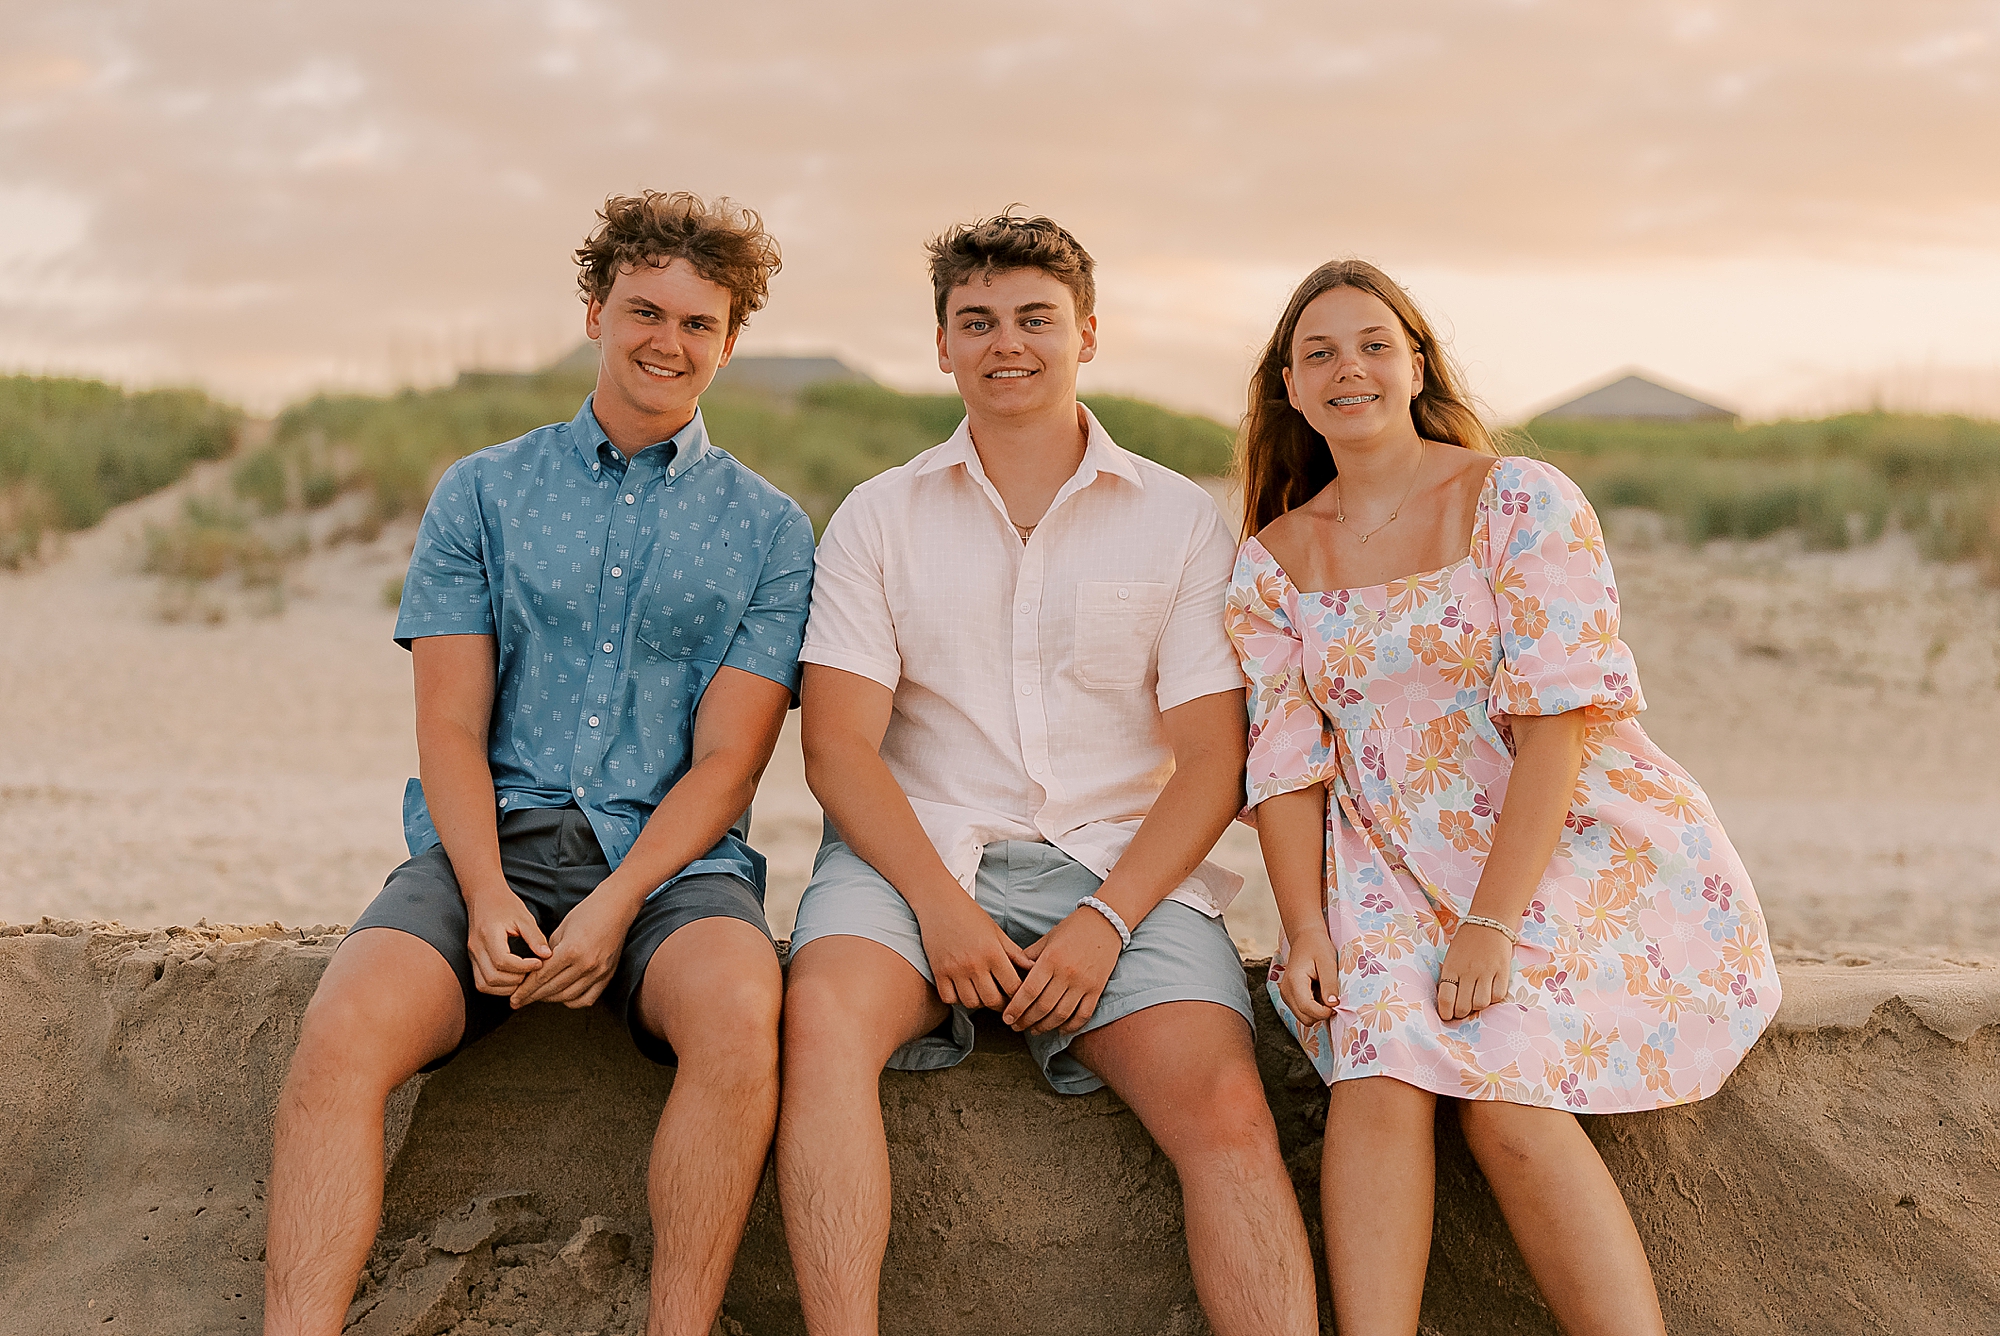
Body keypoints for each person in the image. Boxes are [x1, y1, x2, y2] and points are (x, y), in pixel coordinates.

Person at [263, 191, 815, 1336]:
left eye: (699, 323)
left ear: (727, 340)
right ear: (593, 312)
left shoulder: (768, 529)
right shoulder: (482, 489)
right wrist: (483, 893)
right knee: (342, 1031)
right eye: (643, 310)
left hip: (670, 865)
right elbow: (452, 728)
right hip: (489, 841)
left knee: (738, 1012)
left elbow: (728, 761)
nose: (667, 341)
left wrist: (615, 905)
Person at [774, 211, 1318, 1336]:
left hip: (1121, 870)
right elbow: (835, 746)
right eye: (975, 322)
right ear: (940, 346)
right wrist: (939, 908)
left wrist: (1107, 923)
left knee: (1226, 1103)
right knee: (820, 1024)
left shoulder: (1175, 520)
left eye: (1033, 318)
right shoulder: (877, 517)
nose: (1004, 343)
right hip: (914, 858)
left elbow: (1214, 761)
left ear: (1086, 335)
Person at [1228, 259, 1781, 1334]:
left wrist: (1489, 922)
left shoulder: (1516, 499)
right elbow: (1286, 767)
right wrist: (1303, 925)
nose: (1350, 368)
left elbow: (1558, 723)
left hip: (1562, 839)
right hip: (1385, 861)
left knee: (1502, 1101)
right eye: (1319, 352)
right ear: (1287, 388)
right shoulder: (1273, 564)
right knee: (1376, 1072)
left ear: (1415, 360)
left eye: (1373, 343)